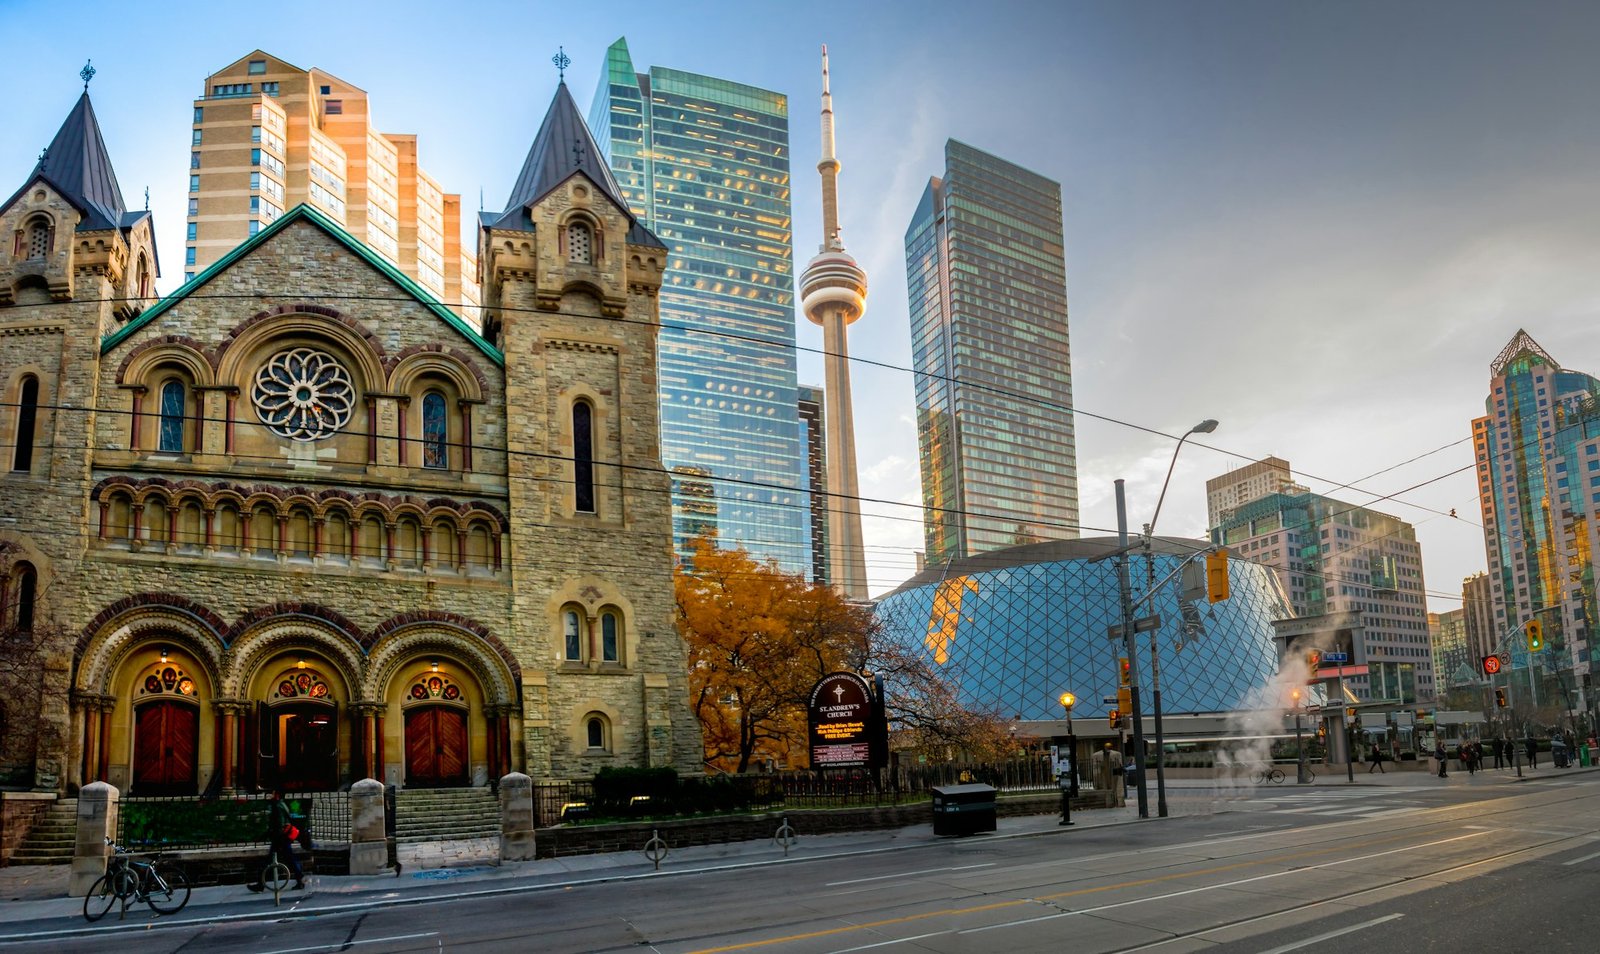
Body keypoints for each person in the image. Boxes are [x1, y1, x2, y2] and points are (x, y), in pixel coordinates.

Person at [247, 789, 304, 892]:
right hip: (282, 838)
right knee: (288, 859)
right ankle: (299, 880)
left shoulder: (277, 806)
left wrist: (272, 836)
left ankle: (261, 884)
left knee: (272, 861)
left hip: (280, 838)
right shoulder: (280, 804)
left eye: (272, 793)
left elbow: (279, 824)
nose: (270, 795)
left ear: (277, 795)